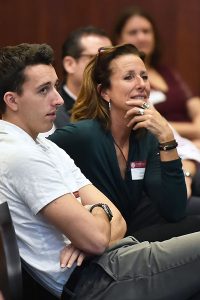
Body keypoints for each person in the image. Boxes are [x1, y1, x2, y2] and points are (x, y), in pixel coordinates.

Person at [2, 43, 200, 300]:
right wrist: (97, 215)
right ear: (12, 100)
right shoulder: (24, 154)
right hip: (97, 278)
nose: (59, 99)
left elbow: (118, 220)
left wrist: (94, 224)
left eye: (143, 76)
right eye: (44, 90)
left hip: (113, 256)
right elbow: (97, 233)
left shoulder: (41, 147)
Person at [49, 43, 200, 243]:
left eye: (144, 76)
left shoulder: (147, 136)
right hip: (98, 243)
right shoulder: (83, 135)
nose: (141, 84)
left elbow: (174, 210)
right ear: (105, 92)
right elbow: (36, 153)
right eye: (129, 77)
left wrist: (167, 139)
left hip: (130, 235)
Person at [112, 5, 200, 197]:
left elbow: (196, 107)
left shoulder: (167, 72)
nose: (141, 37)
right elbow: (151, 122)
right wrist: (191, 135)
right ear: (119, 39)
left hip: (185, 145)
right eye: (133, 32)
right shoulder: (130, 90)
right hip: (168, 148)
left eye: (146, 31)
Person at [55, 26, 112, 128]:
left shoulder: (115, 106)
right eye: (97, 58)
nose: (107, 65)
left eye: (110, 58)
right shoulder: (51, 110)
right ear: (70, 64)